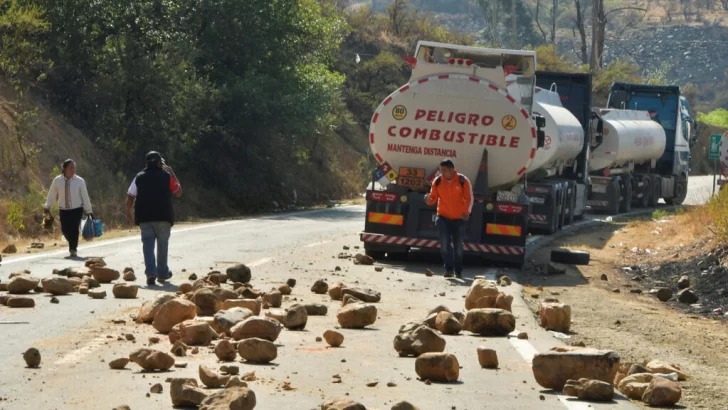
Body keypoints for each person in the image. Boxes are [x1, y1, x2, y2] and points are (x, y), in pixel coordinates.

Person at [125, 151, 182, 286]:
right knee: (163, 245)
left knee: (148, 245)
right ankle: (162, 273)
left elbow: (130, 196)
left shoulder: (139, 177)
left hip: (144, 217)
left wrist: (127, 212)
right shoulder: (167, 176)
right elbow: (179, 192)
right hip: (163, 217)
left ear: (146, 163)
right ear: (158, 163)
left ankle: (151, 272)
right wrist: (172, 173)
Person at [425, 159, 473, 279]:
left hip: (458, 219)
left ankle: (458, 271)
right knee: (444, 244)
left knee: (458, 247)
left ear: (451, 170)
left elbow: (470, 198)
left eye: (444, 170)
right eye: (440, 170)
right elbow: (433, 198)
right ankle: (448, 269)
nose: (441, 173)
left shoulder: (463, 181)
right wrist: (428, 200)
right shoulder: (438, 181)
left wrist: (467, 212)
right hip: (442, 217)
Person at [44, 159, 93, 258]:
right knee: (65, 230)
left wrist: (89, 211)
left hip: (77, 209)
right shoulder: (57, 180)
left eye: (74, 167)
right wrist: (47, 206)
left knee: (74, 229)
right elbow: (52, 194)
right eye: (71, 168)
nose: (73, 169)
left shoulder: (80, 181)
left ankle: (73, 249)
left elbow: (85, 196)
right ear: (65, 169)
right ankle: (72, 242)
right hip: (63, 210)